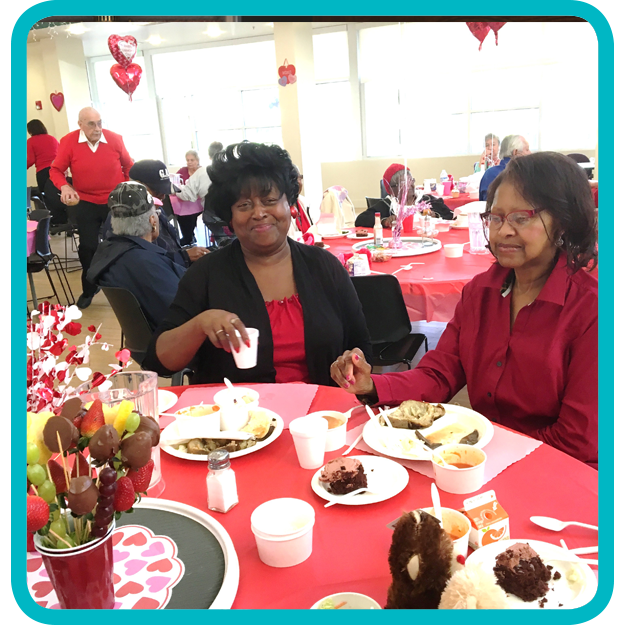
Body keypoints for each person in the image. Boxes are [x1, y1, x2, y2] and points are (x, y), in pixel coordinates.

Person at [332, 152, 598, 468]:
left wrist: (488, 455)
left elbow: (578, 439)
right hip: (481, 457)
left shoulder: (592, 308)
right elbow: (439, 373)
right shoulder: (480, 293)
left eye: (521, 217)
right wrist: (372, 384)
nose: (504, 231)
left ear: (564, 222)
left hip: (557, 467)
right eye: (496, 217)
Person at [143, 141, 372, 385]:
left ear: (290, 205)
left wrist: (353, 361)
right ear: (230, 217)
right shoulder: (206, 275)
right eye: (244, 205)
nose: (259, 212)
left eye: (270, 200)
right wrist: (200, 324)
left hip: (322, 416)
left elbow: (361, 345)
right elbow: (159, 362)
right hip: (239, 418)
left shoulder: (324, 267)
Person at [49, 107, 134, 309]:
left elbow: (129, 166)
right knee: (88, 247)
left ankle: (125, 288)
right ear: (80, 124)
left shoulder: (114, 139)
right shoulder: (69, 141)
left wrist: (126, 189)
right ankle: (89, 289)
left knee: (120, 244)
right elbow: (55, 170)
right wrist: (65, 186)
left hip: (114, 201)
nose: (97, 128)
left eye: (100, 123)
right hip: (86, 202)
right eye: (91, 124)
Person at [87, 182, 187, 332]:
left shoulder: (108, 252)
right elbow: (183, 310)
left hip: (144, 339)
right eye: (157, 214)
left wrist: (182, 257)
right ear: (153, 221)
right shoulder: (147, 264)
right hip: (173, 341)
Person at [121, 159, 210, 265]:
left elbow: (169, 248)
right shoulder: (126, 219)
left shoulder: (156, 208)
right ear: (137, 186)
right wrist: (183, 257)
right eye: (157, 191)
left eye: (164, 190)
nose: (163, 196)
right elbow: (145, 263)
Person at [479, 134, 531, 201]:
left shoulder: (489, 174)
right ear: (515, 152)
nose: (530, 153)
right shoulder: (523, 174)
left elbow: (486, 206)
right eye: (527, 149)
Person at [173, 150, 204, 245]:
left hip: (198, 202)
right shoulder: (183, 170)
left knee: (189, 216)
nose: (189, 162)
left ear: (197, 160)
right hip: (184, 200)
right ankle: (189, 236)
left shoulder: (202, 172)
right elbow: (175, 182)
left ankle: (188, 237)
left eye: (192, 160)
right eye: (187, 160)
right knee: (180, 215)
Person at [27, 119, 59, 195]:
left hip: (43, 172)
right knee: (58, 194)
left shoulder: (31, 141)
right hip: (57, 170)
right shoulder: (52, 138)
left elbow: (30, 160)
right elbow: (61, 154)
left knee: (46, 196)